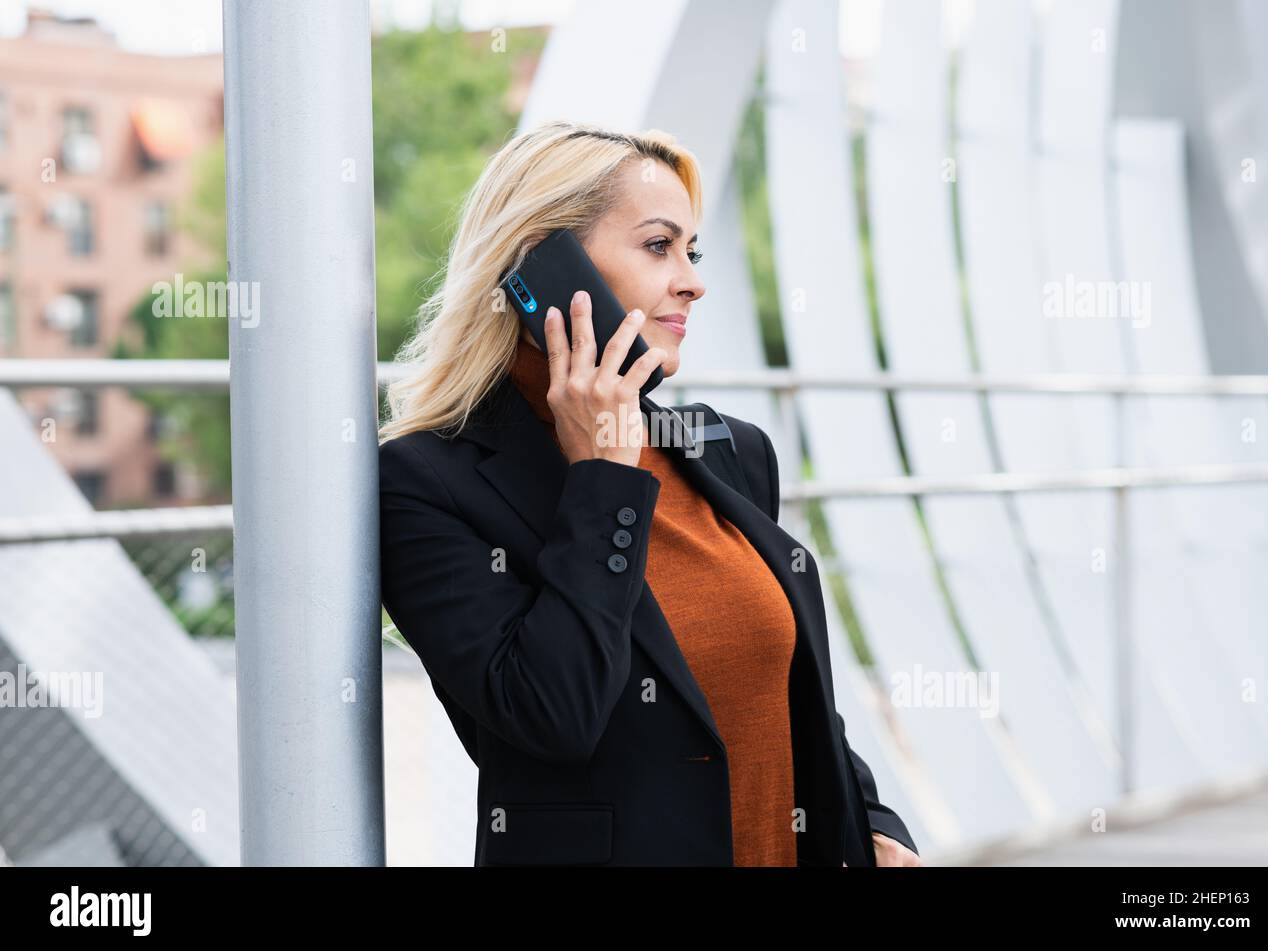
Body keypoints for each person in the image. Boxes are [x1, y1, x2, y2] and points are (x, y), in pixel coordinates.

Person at [378, 119, 921, 867]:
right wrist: (602, 477)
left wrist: (872, 823)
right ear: (546, 266)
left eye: (691, 251)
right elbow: (552, 714)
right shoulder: (426, 482)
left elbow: (787, 696)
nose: (693, 280)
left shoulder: (729, 452)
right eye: (660, 246)